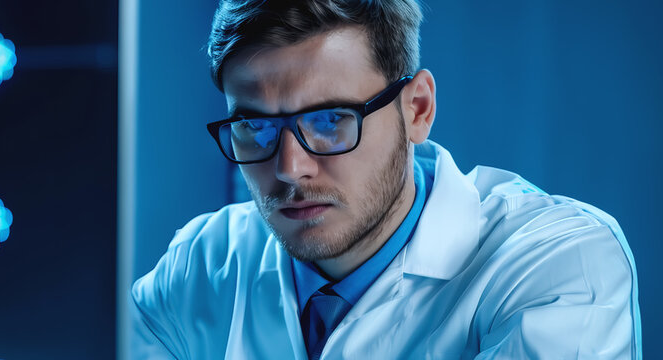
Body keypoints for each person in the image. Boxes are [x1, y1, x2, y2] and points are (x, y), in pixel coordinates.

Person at [130, 0, 642, 358]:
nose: (289, 167)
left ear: (417, 109)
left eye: (330, 120)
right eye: (255, 127)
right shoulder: (202, 265)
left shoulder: (555, 264)